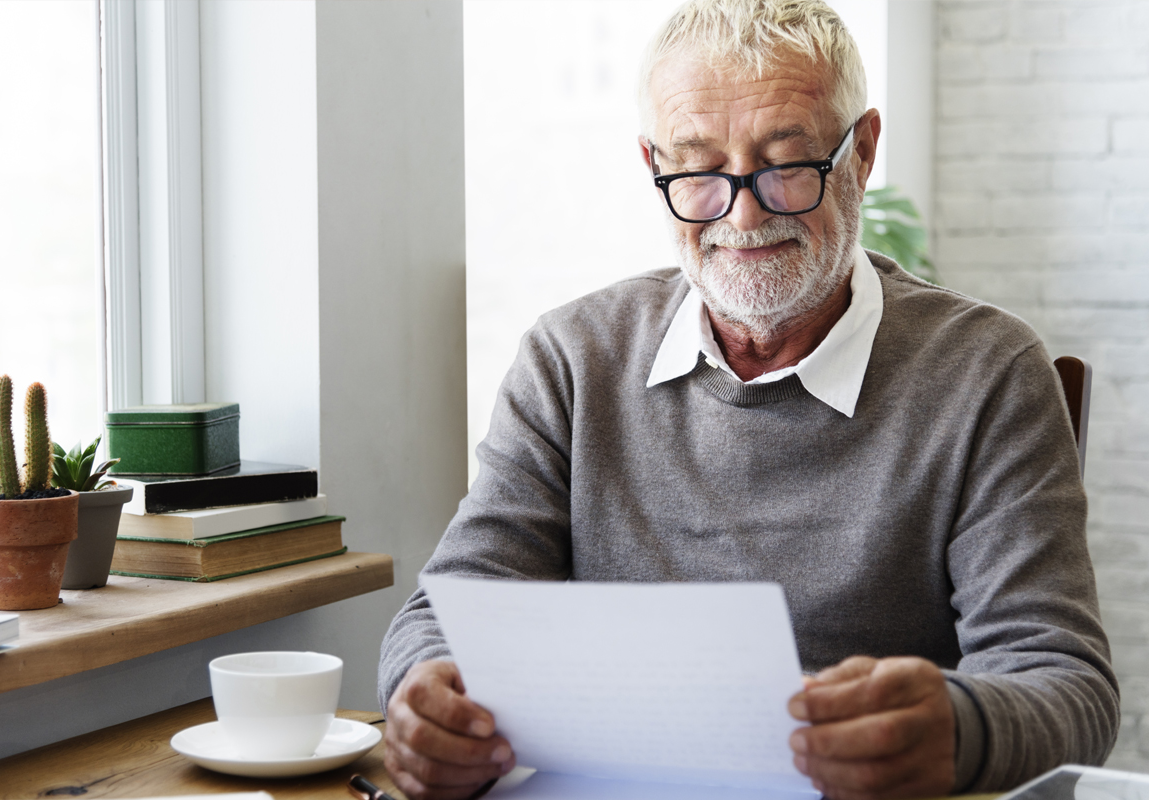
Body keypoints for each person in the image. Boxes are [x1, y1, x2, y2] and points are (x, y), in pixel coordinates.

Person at [377, 1, 1120, 798]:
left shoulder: (987, 372)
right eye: (698, 171)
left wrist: (961, 727)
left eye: (787, 163)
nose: (744, 212)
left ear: (862, 152)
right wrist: (426, 697)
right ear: (653, 165)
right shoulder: (571, 359)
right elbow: (443, 614)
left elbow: (1064, 681)